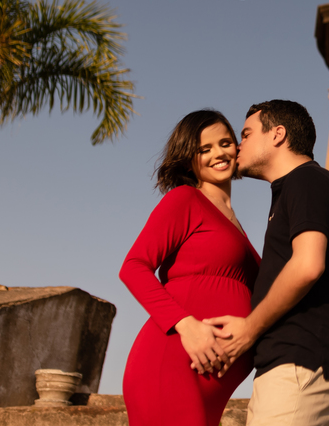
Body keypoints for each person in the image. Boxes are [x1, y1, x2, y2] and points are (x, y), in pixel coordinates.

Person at [204, 100, 329, 426]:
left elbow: (307, 265)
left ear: (277, 135)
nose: (237, 145)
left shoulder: (306, 180)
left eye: (245, 134)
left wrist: (249, 328)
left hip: (302, 358)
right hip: (293, 361)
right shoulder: (293, 188)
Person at [120, 109, 261, 426]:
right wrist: (187, 324)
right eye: (204, 149)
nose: (219, 153)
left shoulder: (235, 221)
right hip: (173, 362)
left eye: (225, 142)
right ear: (189, 158)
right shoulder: (185, 200)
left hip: (211, 384)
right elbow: (133, 267)